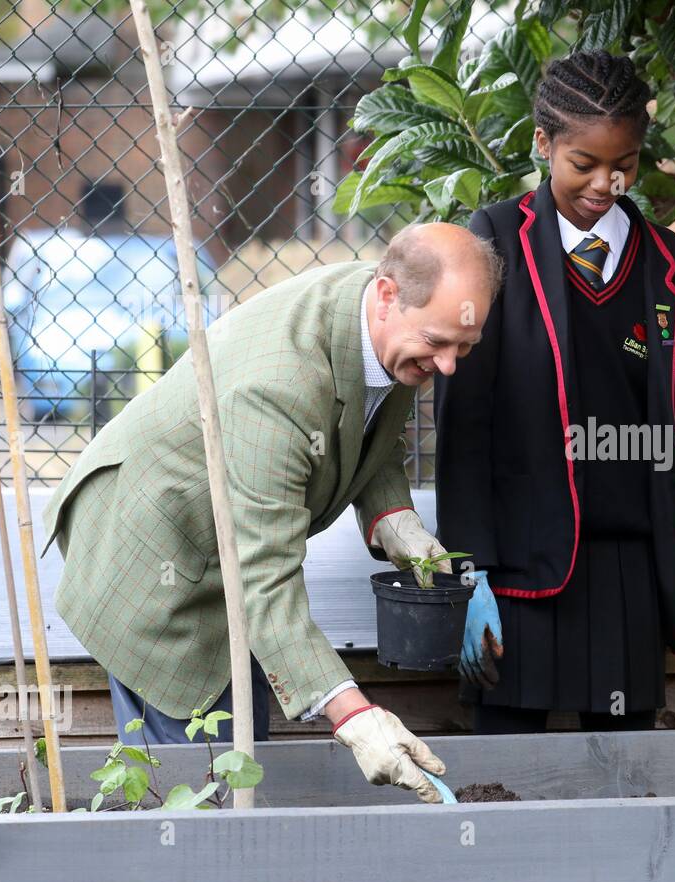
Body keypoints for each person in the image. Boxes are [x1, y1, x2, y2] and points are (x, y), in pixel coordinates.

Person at [41, 223, 503, 802]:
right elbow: (264, 581)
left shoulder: (382, 318)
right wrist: (354, 716)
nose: (450, 364)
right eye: (439, 342)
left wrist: (393, 516)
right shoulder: (279, 388)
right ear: (388, 296)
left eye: (465, 346)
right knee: (208, 791)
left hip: (224, 551)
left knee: (243, 762)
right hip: (156, 561)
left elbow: (368, 416)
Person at [435, 50, 675, 735]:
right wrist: (468, 570)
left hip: (627, 575)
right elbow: (464, 424)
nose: (607, 182)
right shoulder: (492, 245)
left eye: (625, 162)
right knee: (505, 784)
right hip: (515, 576)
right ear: (543, 144)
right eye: (585, 164)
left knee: (623, 782)